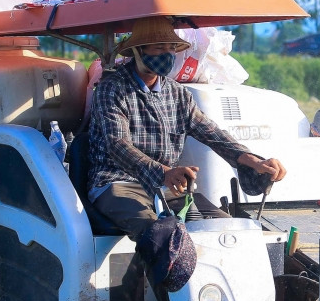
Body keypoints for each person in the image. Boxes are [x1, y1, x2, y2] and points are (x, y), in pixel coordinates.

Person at [87, 17, 286, 241]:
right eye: (159, 47)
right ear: (138, 51)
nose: (167, 54)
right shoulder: (111, 89)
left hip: (166, 187)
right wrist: (164, 172)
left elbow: (212, 133)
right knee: (160, 236)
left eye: (172, 48)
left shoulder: (177, 93)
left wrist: (253, 161)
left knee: (225, 233)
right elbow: (118, 146)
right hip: (118, 183)